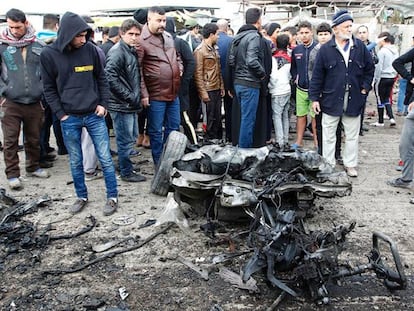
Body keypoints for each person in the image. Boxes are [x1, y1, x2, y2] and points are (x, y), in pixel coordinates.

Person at [40, 11, 119, 216]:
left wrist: (104, 104)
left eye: (85, 35)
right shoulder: (49, 55)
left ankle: (112, 197)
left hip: (94, 114)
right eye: (79, 36)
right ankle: (81, 196)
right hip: (69, 117)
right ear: (67, 33)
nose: (83, 40)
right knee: (75, 160)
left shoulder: (91, 50)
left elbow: (102, 78)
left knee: (105, 158)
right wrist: (60, 114)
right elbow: (48, 88)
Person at [309, 10, 375, 178]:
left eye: (350, 26)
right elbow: (317, 76)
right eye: (346, 26)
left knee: (352, 134)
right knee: (329, 133)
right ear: (336, 29)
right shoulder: (326, 50)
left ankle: (350, 164)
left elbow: (369, 68)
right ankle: (328, 164)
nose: (349, 29)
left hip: (354, 98)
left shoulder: (359, 47)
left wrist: (365, 88)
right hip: (331, 98)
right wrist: (314, 98)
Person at [0, 8, 51, 190]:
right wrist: (2, 93)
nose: (14, 31)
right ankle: (13, 174)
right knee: (10, 140)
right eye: (11, 27)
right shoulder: (2, 46)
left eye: (18, 27)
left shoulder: (38, 45)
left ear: (26, 24)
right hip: (10, 102)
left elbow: (47, 72)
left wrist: (43, 91)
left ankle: (33, 166)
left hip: (34, 101)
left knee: (34, 138)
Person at [137, 6, 183, 166]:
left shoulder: (169, 36)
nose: (162, 23)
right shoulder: (141, 40)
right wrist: (144, 93)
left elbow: (177, 57)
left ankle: (169, 163)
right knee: (155, 131)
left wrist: (180, 69)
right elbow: (139, 69)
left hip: (173, 92)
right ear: (149, 19)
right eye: (158, 20)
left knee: (174, 128)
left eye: (164, 20)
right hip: (155, 94)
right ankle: (159, 164)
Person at [105, 19, 146, 183]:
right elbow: (109, 77)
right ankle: (126, 172)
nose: (135, 37)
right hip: (121, 104)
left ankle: (125, 167)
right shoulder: (118, 52)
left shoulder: (129, 50)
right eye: (131, 34)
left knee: (130, 138)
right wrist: (129, 96)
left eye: (137, 34)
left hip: (128, 103)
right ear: (122, 34)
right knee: (124, 140)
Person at [227, 7, 269, 148]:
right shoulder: (254, 36)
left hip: (238, 82)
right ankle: (244, 154)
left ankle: (241, 149)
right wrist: (262, 73)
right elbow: (252, 61)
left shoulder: (237, 37)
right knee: (248, 120)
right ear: (259, 21)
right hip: (250, 83)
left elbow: (231, 61)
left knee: (243, 118)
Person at [165, 16, 197, 144]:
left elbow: (191, 62)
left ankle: (193, 143)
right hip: (167, 89)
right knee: (174, 120)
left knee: (184, 118)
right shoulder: (160, 42)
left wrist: (185, 81)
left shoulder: (179, 42)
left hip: (179, 88)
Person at [193, 23, 224, 140]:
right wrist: (203, 92)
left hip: (215, 87)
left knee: (217, 117)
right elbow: (198, 74)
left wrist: (221, 86)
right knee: (209, 117)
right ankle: (209, 140)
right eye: (217, 34)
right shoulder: (200, 51)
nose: (218, 37)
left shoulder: (214, 49)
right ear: (211, 35)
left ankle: (216, 139)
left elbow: (218, 69)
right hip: (208, 88)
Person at [290, 21, 317, 150]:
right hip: (300, 89)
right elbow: (293, 68)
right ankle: (299, 141)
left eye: (307, 33)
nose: (304, 36)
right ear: (298, 35)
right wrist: (296, 78)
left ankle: (317, 143)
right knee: (300, 116)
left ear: (312, 33)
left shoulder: (318, 48)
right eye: (302, 33)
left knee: (315, 118)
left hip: (315, 90)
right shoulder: (296, 50)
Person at [371, 32, 399, 127]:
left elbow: (379, 66)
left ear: (383, 40)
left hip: (382, 77)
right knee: (387, 98)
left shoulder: (382, 51)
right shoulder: (395, 51)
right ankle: (391, 118)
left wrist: (375, 79)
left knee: (379, 98)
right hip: (391, 77)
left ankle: (380, 121)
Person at [268, 33, 291, 148]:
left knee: (277, 116)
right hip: (287, 89)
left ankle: (280, 141)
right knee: (285, 116)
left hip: (277, 91)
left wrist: (270, 88)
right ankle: (286, 140)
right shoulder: (290, 57)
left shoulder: (274, 59)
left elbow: (273, 77)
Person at [216, 19, 233, 143]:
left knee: (214, 110)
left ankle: (216, 136)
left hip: (213, 80)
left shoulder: (210, 40)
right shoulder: (231, 41)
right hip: (228, 80)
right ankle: (229, 135)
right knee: (229, 109)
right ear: (227, 28)